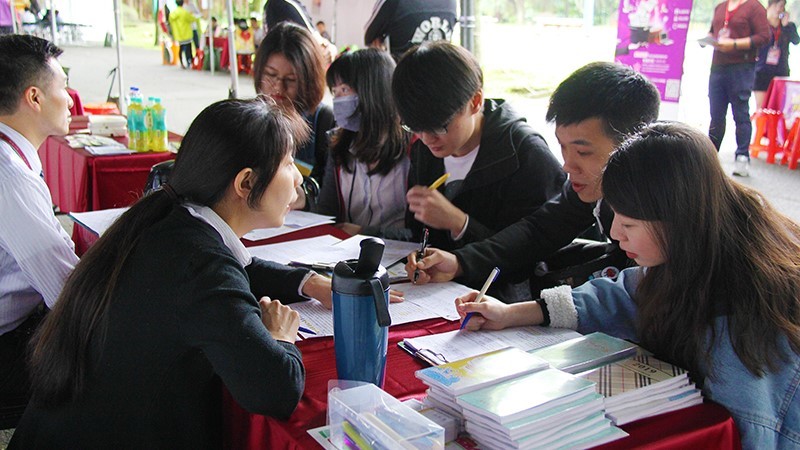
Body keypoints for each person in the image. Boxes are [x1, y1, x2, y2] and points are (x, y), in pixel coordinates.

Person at [8, 98, 333, 447]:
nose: (298, 180)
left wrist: (309, 282)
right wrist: (280, 337)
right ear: (246, 183)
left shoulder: (169, 220)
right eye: (287, 164)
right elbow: (274, 391)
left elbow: (238, 270)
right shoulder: (201, 266)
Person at [455, 122, 800, 449]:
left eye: (630, 224)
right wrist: (511, 313)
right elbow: (623, 294)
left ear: (679, 219)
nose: (616, 234)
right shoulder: (704, 240)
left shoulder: (739, 322)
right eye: (615, 215)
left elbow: (747, 434)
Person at [406, 62, 660, 299]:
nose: (567, 165)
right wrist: (460, 262)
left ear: (633, 143)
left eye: (583, 152)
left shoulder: (669, 200)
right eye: (562, 147)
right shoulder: (590, 188)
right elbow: (538, 231)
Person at [393, 42, 565, 300]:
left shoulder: (525, 155)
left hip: (509, 305)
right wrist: (422, 258)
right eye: (414, 127)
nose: (427, 138)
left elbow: (533, 254)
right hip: (441, 295)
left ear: (475, 101)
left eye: (439, 126)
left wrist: (460, 224)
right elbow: (421, 235)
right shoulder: (424, 150)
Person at [0, 35, 78, 413]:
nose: (71, 97)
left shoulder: (11, 155)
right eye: (63, 86)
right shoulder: (9, 175)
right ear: (34, 98)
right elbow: (68, 292)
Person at [297, 48, 411, 238]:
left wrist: (364, 233)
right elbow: (327, 211)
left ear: (374, 90)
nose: (337, 100)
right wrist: (306, 202)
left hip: (400, 259)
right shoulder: (338, 143)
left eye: (344, 90)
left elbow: (420, 234)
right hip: (346, 255)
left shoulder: (414, 148)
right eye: (334, 92)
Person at [254, 22, 335, 185]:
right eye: (271, 75)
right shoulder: (249, 119)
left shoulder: (324, 122)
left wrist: (305, 196)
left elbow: (330, 190)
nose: (278, 87)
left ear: (310, 80)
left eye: (291, 80)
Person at [706, 0, 769, 177]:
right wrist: (709, 39)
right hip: (718, 66)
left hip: (741, 66)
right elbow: (713, 30)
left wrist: (734, 44)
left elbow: (764, 36)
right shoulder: (720, 7)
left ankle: (742, 155)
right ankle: (709, 156)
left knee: (740, 112)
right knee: (716, 115)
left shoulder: (754, 7)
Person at [365, 0, 457, 60]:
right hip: (443, 76)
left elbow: (369, 37)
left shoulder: (394, 2)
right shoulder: (451, 2)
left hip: (404, 79)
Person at [754, 0, 799, 108]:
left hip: (781, 71)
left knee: (780, 107)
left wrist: (786, 26)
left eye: (782, 7)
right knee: (761, 107)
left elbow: (796, 41)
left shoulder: (788, 26)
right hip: (762, 70)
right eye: (776, 6)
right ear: (769, 6)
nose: (779, 10)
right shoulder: (760, 24)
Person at [168, 0, 201, 69]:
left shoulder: (173, 13)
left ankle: (182, 62)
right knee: (188, 47)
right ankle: (189, 61)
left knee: (181, 48)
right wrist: (194, 15)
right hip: (186, 33)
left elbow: (170, 21)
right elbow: (192, 19)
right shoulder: (184, 12)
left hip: (179, 34)